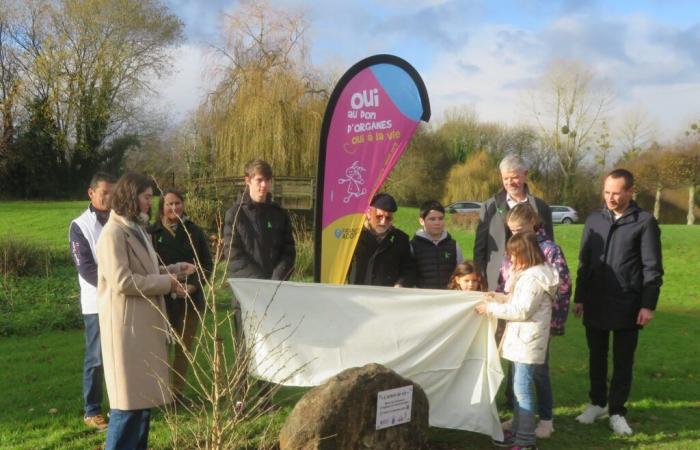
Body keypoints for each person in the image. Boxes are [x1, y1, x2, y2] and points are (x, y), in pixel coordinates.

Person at [96, 173, 196, 450]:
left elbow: (146, 272)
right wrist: (168, 283)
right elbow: (123, 281)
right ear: (130, 197)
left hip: (142, 329)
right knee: (127, 409)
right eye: (146, 197)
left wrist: (175, 269)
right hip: (126, 332)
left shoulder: (135, 228)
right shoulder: (113, 233)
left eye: (151, 197)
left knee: (142, 409)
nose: (151, 203)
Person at [574, 169, 663, 436]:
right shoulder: (593, 219)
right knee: (596, 356)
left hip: (629, 304)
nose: (610, 198)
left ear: (629, 192)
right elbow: (584, 263)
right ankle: (597, 403)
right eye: (606, 192)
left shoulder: (645, 222)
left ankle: (616, 411)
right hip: (595, 301)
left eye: (616, 193)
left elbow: (652, 267)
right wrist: (580, 297)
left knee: (623, 360)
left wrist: (648, 305)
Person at [475, 231, 559, 450]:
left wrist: (490, 309)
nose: (510, 259)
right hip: (523, 340)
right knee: (518, 387)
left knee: (521, 389)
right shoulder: (531, 273)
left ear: (525, 253)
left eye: (513, 254)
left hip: (527, 341)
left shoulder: (533, 277)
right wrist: (497, 297)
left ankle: (525, 441)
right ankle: (520, 431)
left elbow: (521, 310)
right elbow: (516, 300)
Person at [497, 203, 572, 438]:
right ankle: (521, 420)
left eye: (519, 229)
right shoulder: (514, 247)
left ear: (533, 223)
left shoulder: (549, 250)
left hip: (539, 323)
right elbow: (506, 279)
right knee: (520, 373)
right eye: (511, 230)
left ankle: (545, 419)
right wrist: (500, 304)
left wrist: (554, 324)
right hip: (517, 322)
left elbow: (562, 286)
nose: (515, 234)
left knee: (538, 372)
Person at [151, 189, 213, 399]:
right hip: (162, 299)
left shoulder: (195, 232)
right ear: (161, 207)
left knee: (184, 349)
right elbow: (148, 269)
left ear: (183, 205)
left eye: (177, 203)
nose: (174, 208)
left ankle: (176, 393)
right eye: (169, 204)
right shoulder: (152, 233)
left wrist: (194, 286)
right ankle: (159, 393)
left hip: (190, 300)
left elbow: (207, 265)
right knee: (160, 348)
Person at [223, 159, 296, 338]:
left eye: (268, 180)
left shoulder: (279, 214)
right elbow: (234, 257)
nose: (264, 185)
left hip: (275, 296)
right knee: (246, 353)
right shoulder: (235, 214)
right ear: (247, 180)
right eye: (259, 180)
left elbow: (288, 253)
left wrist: (274, 283)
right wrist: (260, 286)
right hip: (247, 297)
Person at [69, 171, 116, 430]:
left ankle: (122, 404)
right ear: (91, 193)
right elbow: (86, 268)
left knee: (122, 353)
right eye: (104, 193)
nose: (109, 198)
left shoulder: (121, 220)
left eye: (113, 193)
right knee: (97, 357)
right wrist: (117, 284)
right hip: (96, 303)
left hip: (122, 300)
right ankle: (92, 409)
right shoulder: (80, 226)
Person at [474, 154, 553, 291]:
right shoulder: (489, 207)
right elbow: (480, 249)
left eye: (515, 177)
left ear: (525, 174)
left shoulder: (541, 207)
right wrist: (481, 279)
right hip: (496, 280)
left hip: (531, 278)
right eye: (506, 178)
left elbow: (548, 244)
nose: (510, 182)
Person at [346, 192, 415, 287]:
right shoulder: (353, 237)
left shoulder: (401, 239)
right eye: (379, 217)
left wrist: (401, 283)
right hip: (356, 295)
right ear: (369, 213)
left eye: (388, 218)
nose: (383, 222)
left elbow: (409, 269)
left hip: (386, 297)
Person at [411, 200, 463, 289]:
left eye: (441, 218)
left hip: (448, 298)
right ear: (421, 221)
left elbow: (461, 273)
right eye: (432, 219)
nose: (437, 223)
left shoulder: (454, 245)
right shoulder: (412, 246)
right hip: (422, 298)